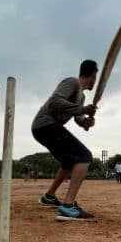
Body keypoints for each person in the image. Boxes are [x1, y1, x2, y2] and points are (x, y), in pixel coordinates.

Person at [32, 59, 98, 220]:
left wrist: (86, 122)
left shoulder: (81, 96)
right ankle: (67, 206)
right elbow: (55, 101)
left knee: (69, 161)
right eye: (95, 77)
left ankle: (49, 196)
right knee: (84, 156)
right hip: (45, 124)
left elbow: (78, 118)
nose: (95, 81)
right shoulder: (72, 82)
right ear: (92, 75)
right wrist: (82, 109)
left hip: (44, 127)